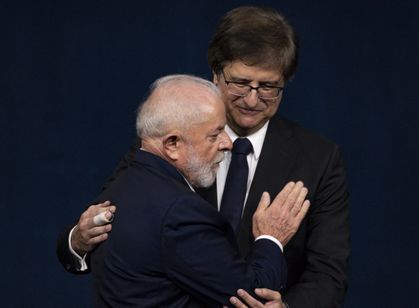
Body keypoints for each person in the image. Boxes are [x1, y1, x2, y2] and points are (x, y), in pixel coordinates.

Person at [57, 6, 350, 308]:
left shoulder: (319, 159)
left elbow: (328, 272)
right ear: (216, 74)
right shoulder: (169, 139)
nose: (252, 99)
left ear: (284, 84)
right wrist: (78, 240)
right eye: (240, 83)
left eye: (268, 87)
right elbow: (116, 228)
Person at [90, 74, 309, 307]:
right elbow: (252, 295)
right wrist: (271, 237)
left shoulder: (122, 185)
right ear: (172, 144)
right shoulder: (179, 212)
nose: (228, 143)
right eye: (215, 134)